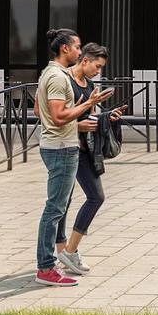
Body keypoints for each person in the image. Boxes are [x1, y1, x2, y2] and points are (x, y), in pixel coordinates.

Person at [34, 28, 112, 286]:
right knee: (54, 209)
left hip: (57, 145)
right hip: (62, 147)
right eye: (77, 47)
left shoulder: (48, 73)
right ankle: (46, 268)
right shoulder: (58, 78)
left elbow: (41, 110)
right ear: (65, 48)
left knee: (57, 206)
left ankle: (56, 259)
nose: (80, 52)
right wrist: (87, 105)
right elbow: (58, 116)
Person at [57, 43, 126, 276]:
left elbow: (91, 115)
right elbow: (52, 117)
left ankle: (69, 251)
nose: (98, 71)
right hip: (66, 148)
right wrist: (77, 126)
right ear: (84, 60)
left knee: (94, 196)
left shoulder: (89, 85)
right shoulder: (64, 82)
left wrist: (108, 116)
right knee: (64, 201)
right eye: (97, 66)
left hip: (85, 149)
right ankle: (63, 252)